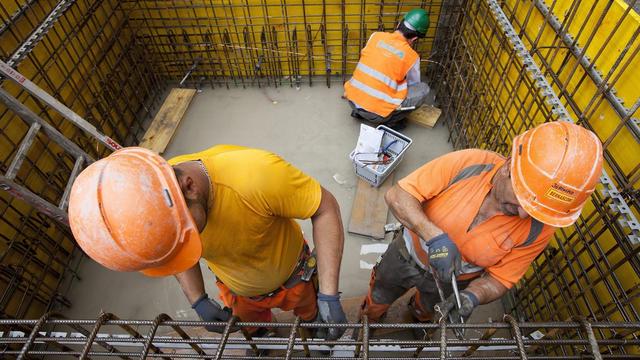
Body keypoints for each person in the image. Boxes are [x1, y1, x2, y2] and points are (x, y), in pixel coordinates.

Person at [68, 145, 347, 340]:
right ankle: (261, 337)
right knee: (251, 326)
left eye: (185, 234)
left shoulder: (257, 176)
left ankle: (313, 326)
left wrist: (329, 293)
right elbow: (173, 248)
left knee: (309, 312)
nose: (182, 242)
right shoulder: (158, 202)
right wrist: (198, 299)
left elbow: (324, 209)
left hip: (294, 276)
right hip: (237, 291)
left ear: (190, 187)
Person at [360, 122, 603, 327]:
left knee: (429, 309)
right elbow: (398, 196)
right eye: (522, 200)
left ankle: (418, 318)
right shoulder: (471, 163)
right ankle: (370, 320)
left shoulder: (538, 230)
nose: (522, 215)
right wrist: (433, 237)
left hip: (452, 281)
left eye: (534, 211)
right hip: (407, 254)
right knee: (381, 293)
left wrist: (472, 296)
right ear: (509, 166)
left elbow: (501, 279)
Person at [344, 8, 431, 129]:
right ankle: (391, 122)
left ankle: (359, 112)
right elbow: (413, 84)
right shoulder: (412, 57)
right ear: (415, 39)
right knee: (423, 89)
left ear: (398, 24)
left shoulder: (375, 36)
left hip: (352, 100)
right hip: (377, 115)